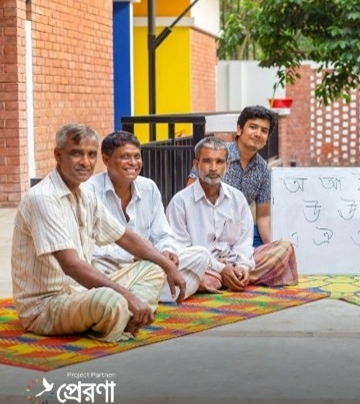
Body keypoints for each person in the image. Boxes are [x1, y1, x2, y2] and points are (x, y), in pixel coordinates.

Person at [11, 123, 186, 342]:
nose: (85, 162)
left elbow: (124, 236)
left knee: (153, 268)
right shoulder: (43, 198)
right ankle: (124, 315)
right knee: (112, 300)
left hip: (81, 293)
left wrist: (168, 265)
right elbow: (71, 265)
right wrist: (127, 296)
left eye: (91, 154)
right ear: (58, 155)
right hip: (46, 306)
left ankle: (124, 317)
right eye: (76, 154)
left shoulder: (85, 195)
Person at [87, 131, 211, 303]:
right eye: (125, 157)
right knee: (93, 265)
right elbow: (89, 248)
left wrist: (167, 251)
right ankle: (145, 295)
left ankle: (130, 298)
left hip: (149, 265)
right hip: (113, 266)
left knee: (200, 255)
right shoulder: (89, 191)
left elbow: (162, 235)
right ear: (106, 160)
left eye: (137, 156)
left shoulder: (149, 187)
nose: (133, 163)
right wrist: (135, 255)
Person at [169, 136, 298, 291]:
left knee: (284, 248)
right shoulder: (180, 202)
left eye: (219, 162)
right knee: (192, 273)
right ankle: (225, 279)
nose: (213, 168)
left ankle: (235, 277)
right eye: (207, 161)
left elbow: (244, 242)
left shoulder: (237, 199)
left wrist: (243, 266)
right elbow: (182, 251)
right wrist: (220, 268)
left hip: (233, 262)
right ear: (196, 165)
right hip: (204, 267)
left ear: (227, 165)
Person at [188, 105, 276, 247]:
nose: (258, 134)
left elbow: (264, 217)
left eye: (264, 131)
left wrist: (272, 248)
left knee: (279, 248)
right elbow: (190, 193)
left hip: (238, 230)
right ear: (239, 129)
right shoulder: (217, 153)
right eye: (253, 127)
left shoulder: (263, 170)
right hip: (205, 227)